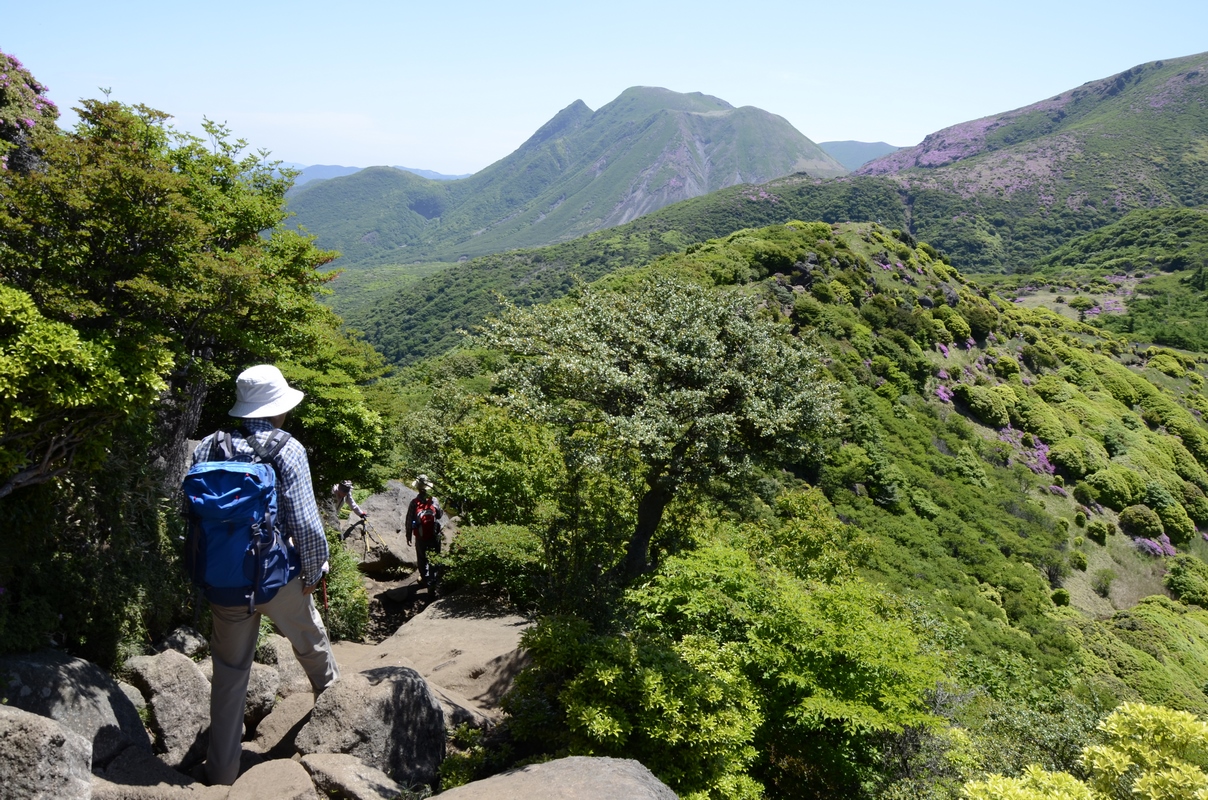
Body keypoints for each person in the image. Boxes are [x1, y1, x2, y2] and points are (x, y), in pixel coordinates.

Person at [191, 364, 339, 785]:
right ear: (277, 407)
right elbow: (306, 523)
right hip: (278, 580)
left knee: (229, 675)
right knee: (311, 644)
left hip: (225, 583)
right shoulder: (285, 449)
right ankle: (337, 728)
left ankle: (220, 778)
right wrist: (312, 571)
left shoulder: (207, 447)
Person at [404, 474, 444, 587]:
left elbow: (409, 521)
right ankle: (433, 580)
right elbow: (440, 515)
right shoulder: (434, 500)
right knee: (435, 557)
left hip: (420, 536)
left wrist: (408, 536)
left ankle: (424, 578)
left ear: (417, 488)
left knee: (422, 558)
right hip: (434, 535)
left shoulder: (414, 502)